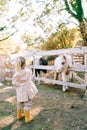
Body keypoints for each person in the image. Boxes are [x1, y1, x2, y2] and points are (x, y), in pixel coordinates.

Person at [12, 56, 38, 123]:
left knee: (19, 103)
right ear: (24, 64)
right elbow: (30, 77)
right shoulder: (28, 71)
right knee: (27, 104)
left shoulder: (15, 74)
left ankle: (19, 115)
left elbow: (14, 83)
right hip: (28, 91)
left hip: (20, 92)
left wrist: (19, 84)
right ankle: (27, 118)